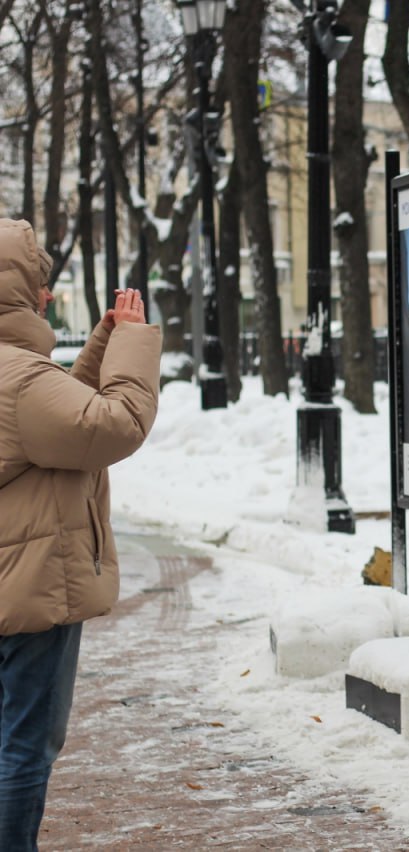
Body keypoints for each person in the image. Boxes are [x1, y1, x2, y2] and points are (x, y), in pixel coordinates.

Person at [0, 219, 161, 850]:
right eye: (39, 285)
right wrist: (135, 343)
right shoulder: (18, 379)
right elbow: (110, 425)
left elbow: (55, 422)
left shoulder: (23, 380)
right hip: (31, 590)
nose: (45, 297)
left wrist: (101, 346)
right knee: (24, 745)